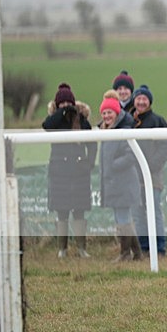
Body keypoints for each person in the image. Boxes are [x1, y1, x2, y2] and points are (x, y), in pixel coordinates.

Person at [41, 83, 98, 259]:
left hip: (79, 172)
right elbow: (46, 126)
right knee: (62, 211)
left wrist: (89, 163)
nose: (66, 105)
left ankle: (81, 248)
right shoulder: (54, 119)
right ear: (57, 105)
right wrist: (61, 113)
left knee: (79, 211)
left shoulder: (81, 119)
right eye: (62, 102)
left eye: (68, 102)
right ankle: (62, 250)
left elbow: (92, 141)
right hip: (60, 172)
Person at [98, 90, 142, 262]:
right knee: (122, 218)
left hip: (123, 183)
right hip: (114, 183)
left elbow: (130, 155)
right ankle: (136, 253)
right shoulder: (104, 130)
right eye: (104, 113)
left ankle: (125, 254)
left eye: (109, 112)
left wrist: (113, 165)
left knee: (123, 218)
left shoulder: (123, 130)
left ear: (116, 113)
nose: (107, 116)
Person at [130, 85, 167, 256]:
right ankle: (143, 248)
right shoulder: (129, 121)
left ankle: (159, 248)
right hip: (132, 178)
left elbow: (166, 147)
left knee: (154, 213)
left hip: (153, 177)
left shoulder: (158, 121)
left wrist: (149, 166)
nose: (141, 102)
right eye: (138, 98)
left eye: (144, 99)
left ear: (149, 102)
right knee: (138, 215)